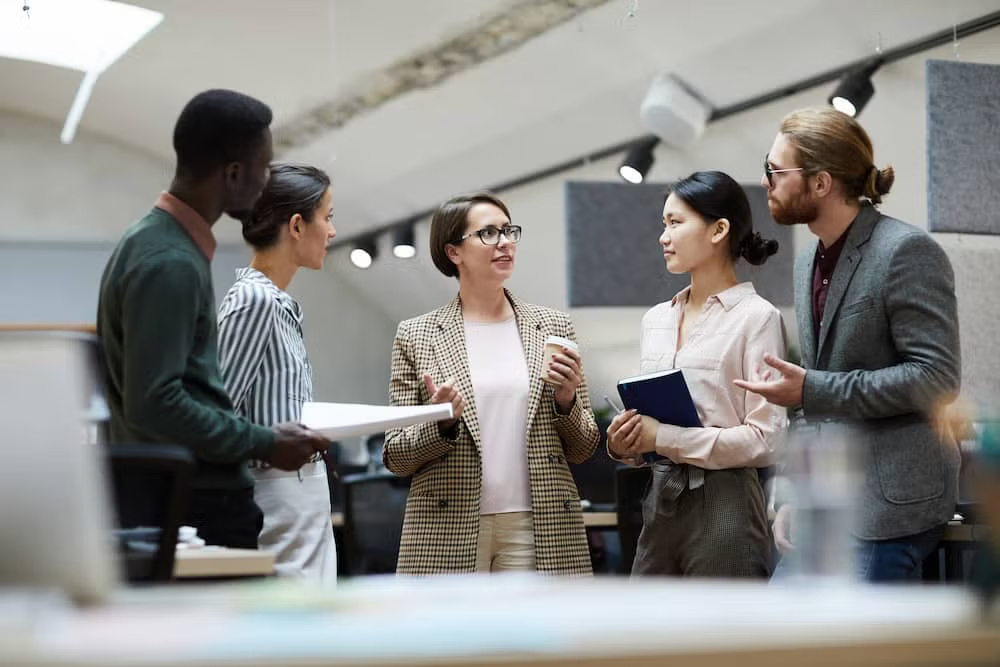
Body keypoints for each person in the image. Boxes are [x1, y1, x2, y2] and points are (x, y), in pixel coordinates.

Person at [97, 90, 330, 549]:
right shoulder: (170, 260)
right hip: (197, 499)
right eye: (264, 167)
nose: (266, 181)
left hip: (183, 491)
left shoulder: (158, 243)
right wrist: (265, 442)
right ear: (234, 173)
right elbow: (156, 402)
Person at [736, 107, 961, 582]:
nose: (765, 182)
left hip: (889, 511)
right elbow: (814, 404)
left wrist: (812, 389)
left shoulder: (904, 250)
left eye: (775, 171)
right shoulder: (807, 262)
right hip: (826, 503)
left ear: (820, 183)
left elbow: (936, 378)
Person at [383, 191, 600, 575]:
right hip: (447, 524)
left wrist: (566, 402)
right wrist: (441, 424)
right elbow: (396, 457)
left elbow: (584, 448)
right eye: (488, 233)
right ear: (454, 252)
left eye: (509, 231)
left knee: (539, 618)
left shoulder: (553, 327)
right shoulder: (416, 335)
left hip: (539, 523)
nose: (505, 242)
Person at [606, 171, 788, 578]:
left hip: (726, 501)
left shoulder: (757, 318)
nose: (663, 236)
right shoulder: (655, 319)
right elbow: (652, 429)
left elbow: (766, 440)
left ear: (719, 230)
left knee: (721, 619)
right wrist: (627, 442)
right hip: (660, 497)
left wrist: (663, 437)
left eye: (675, 223)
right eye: (663, 224)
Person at [217, 163, 338, 582]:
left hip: (300, 487)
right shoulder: (255, 300)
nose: (333, 231)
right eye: (328, 217)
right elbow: (218, 413)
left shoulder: (275, 301)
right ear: (297, 226)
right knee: (294, 605)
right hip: (277, 489)